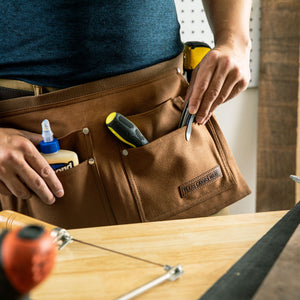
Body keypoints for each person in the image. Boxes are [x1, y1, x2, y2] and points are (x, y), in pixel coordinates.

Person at [0, 1, 252, 220]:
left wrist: (235, 42)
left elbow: (235, 41)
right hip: (27, 153)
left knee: (210, 272)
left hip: (165, 122)